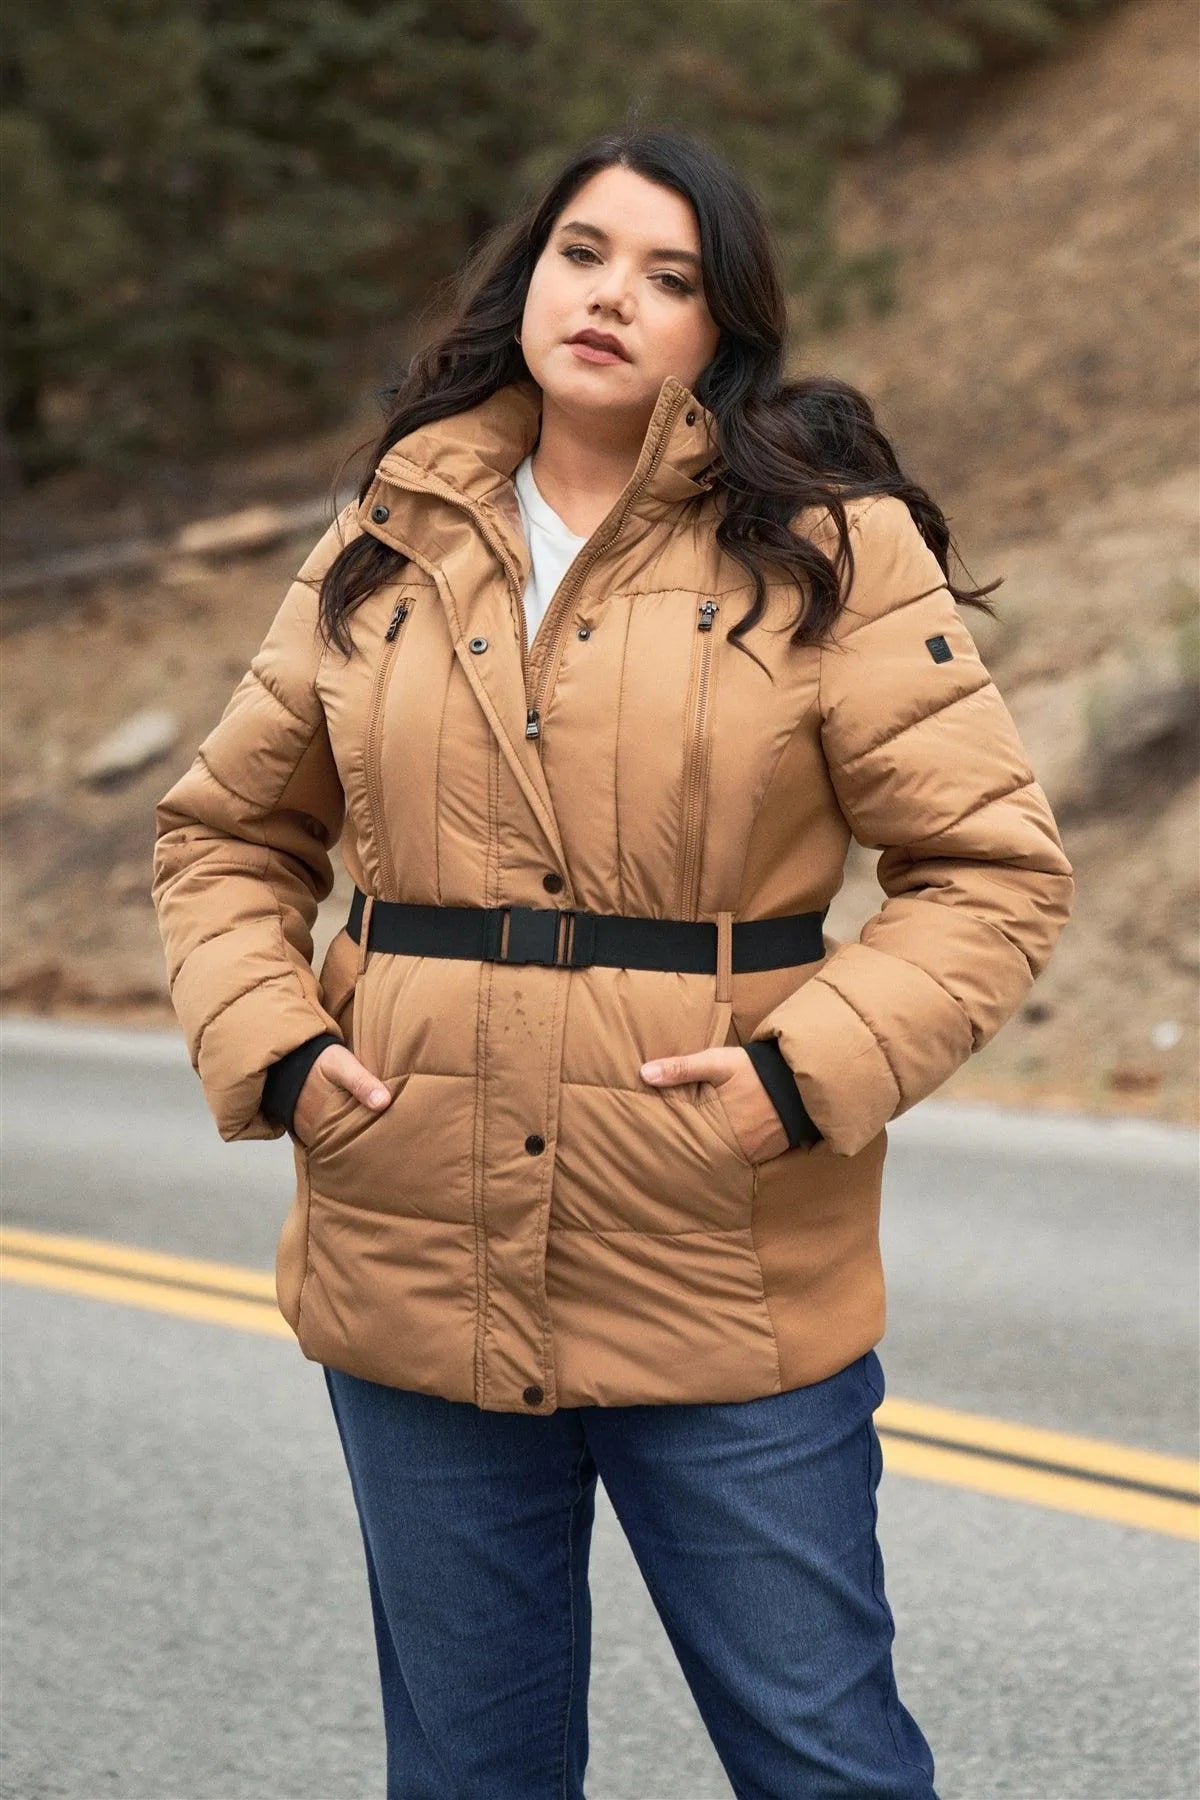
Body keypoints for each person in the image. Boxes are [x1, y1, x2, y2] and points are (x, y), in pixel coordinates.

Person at [151, 126, 1074, 1800]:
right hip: (412, 1238)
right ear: (528, 277)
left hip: (718, 1248)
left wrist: (794, 1082)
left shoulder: (831, 544)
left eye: (671, 276)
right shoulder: (389, 532)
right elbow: (225, 835)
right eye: (584, 254)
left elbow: (989, 870)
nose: (612, 297)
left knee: (825, 1764)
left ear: (725, 327)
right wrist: (279, 1050)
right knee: (470, 1776)